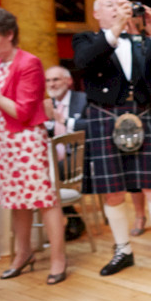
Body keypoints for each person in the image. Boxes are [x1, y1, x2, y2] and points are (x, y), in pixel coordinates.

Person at [0, 6, 68, 285]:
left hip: (27, 140)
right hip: (3, 141)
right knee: (16, 202)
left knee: (44, 201)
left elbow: (22, 112)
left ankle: (58, 259)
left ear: (9, 34)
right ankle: (23, 253)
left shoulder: (29, 62)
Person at [73, 0, 151, 278]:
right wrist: (116, 29)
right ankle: (123, 250)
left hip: (143, 117)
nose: (118, 7)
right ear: (97, 14)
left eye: (121, 3)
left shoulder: (143, 43)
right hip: (104, 120)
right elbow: (84, 62)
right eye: (109, 4)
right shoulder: (85, 40)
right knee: (113, 192)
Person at [43, 65, 88, 241]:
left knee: (48, 174)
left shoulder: (83, 100)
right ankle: (71, 217)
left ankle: (70, 220)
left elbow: (92, 127)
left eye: (56, 79)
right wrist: (46, 123)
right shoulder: (47, 104)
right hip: (54, 159)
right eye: (48, 80)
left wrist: (63, 120)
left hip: (80, 158)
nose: (51, 84)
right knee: (41, 173)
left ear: (68, 81)